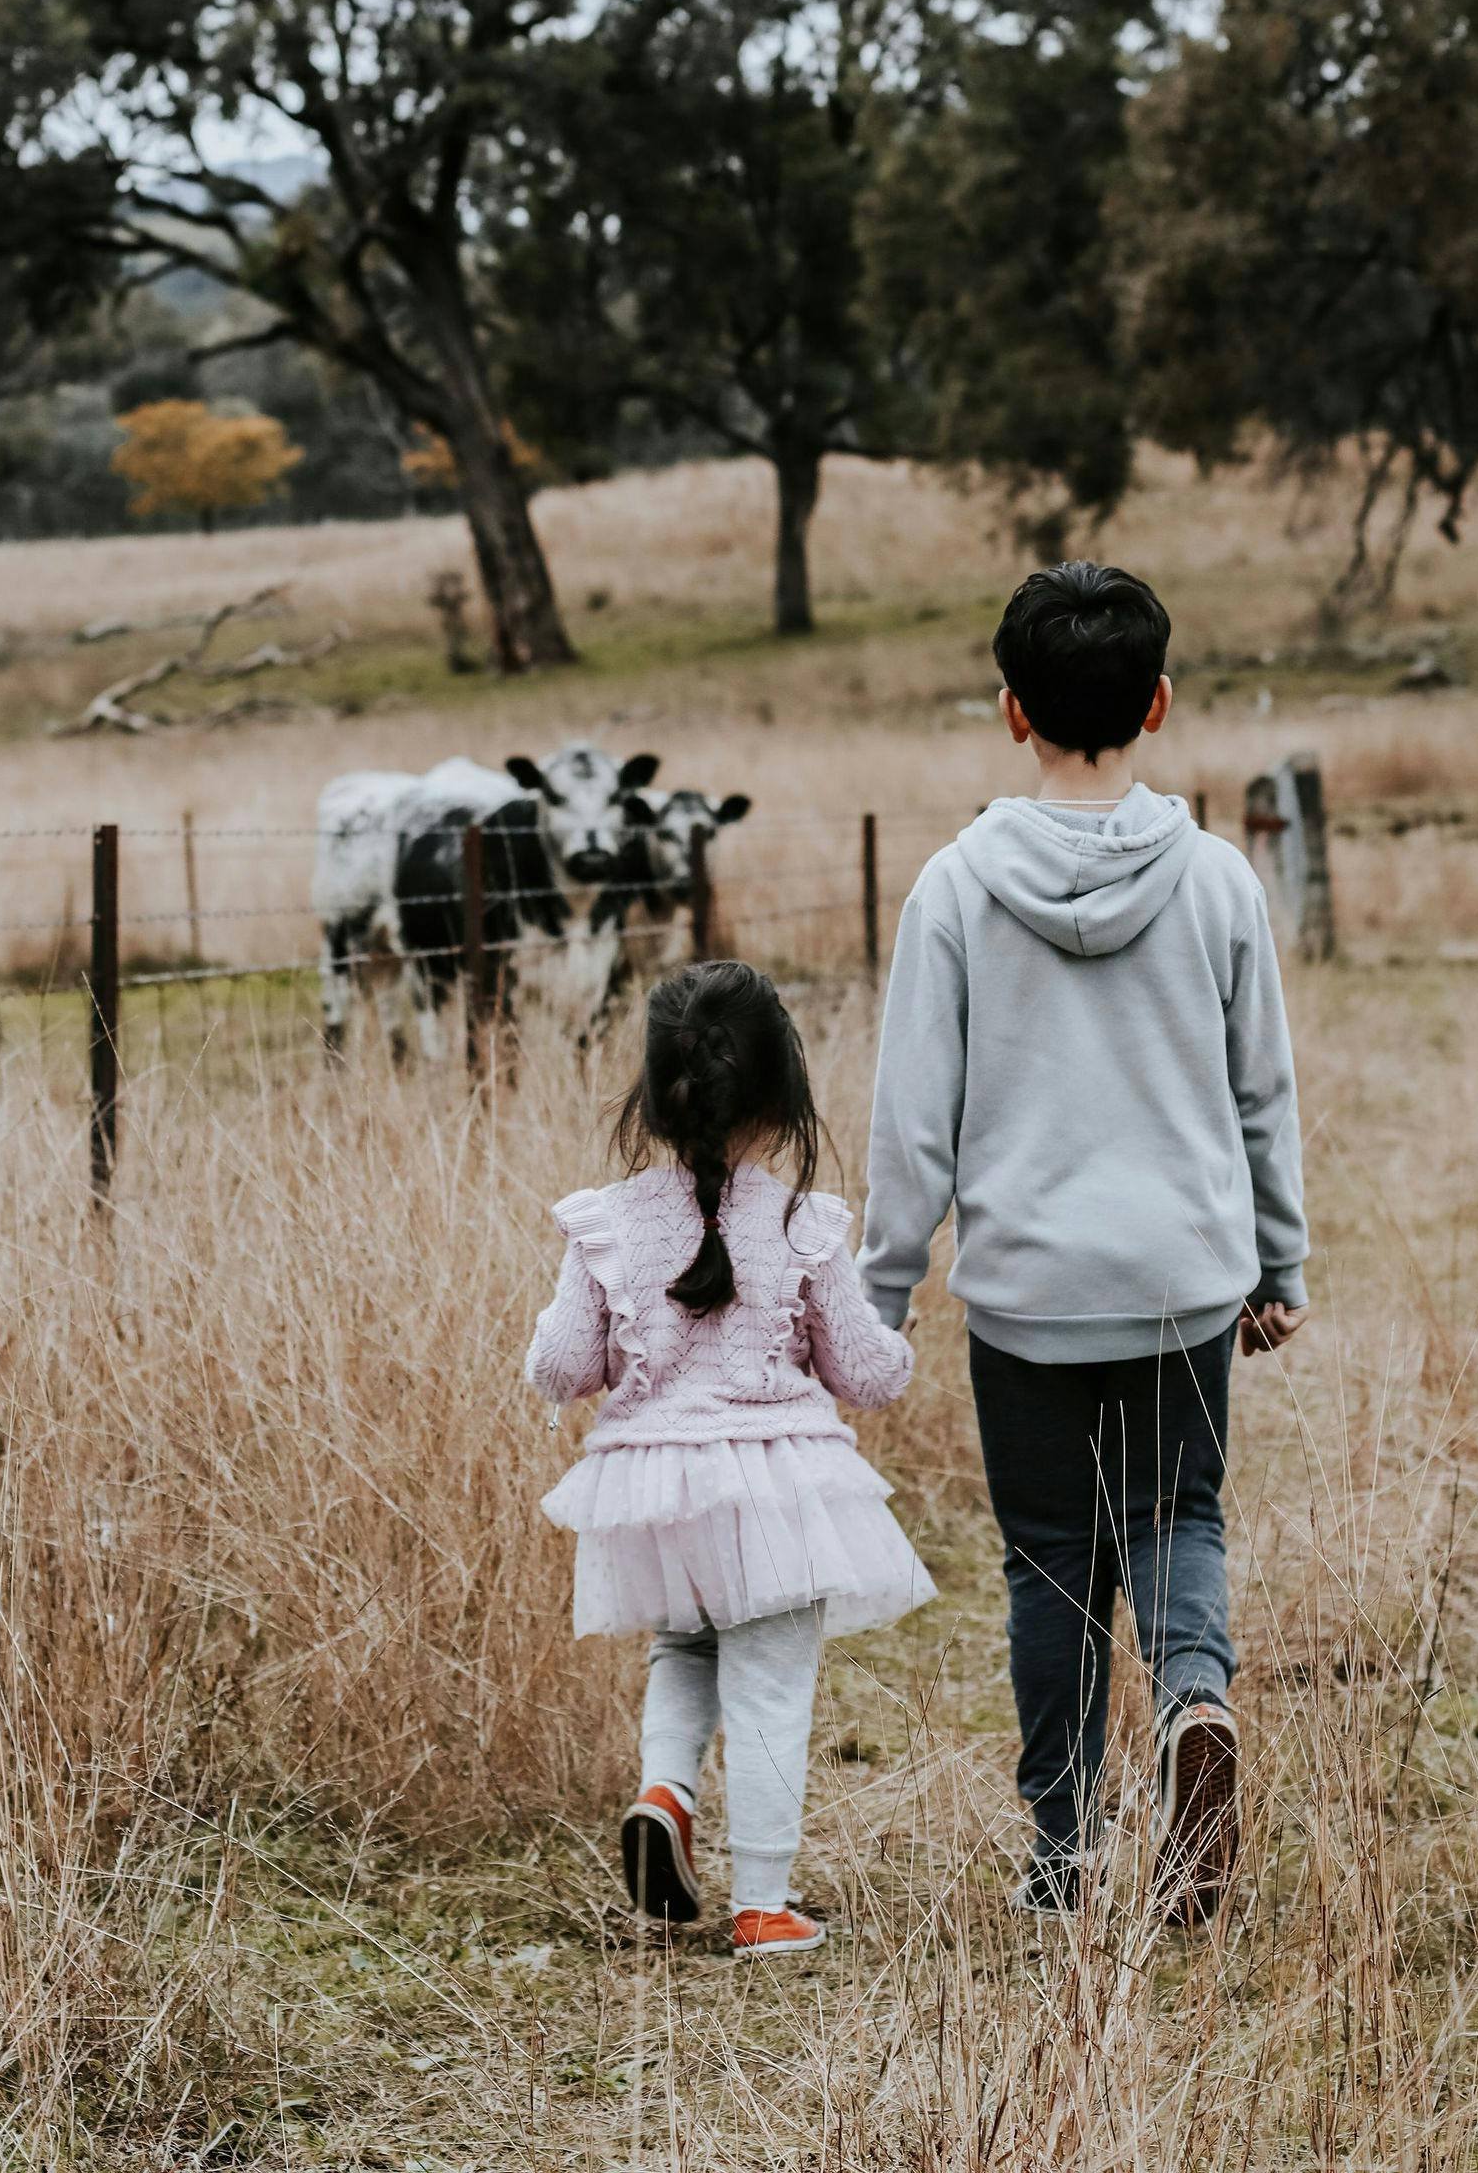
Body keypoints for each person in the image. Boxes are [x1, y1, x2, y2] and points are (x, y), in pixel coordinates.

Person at [858, 561, 1309, 1918]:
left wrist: (882, 1288)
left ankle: (1063, 1852)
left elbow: (910, 1115)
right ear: (1158, 703)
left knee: (1051, 1559)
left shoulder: (954, 888)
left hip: (1027, 1299)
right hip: (1180, 1284)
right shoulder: (1218, 882)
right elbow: (1262, 1089)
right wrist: (1277, 1264)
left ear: (1012, 713)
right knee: (1179, 1516)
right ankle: (1191, 1704)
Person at [527, 959, 933, 1956]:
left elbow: (558, 1367)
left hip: (654, 1490)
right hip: (776, 1489)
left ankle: (663, 1796)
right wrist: (899, 1334)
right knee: (767, 1682)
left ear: (654, 1097)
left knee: (682, 1649)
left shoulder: (604, 1224)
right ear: (780, 1094)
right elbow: (866, 1374)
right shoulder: (802, 1225)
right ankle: (761, 1902)